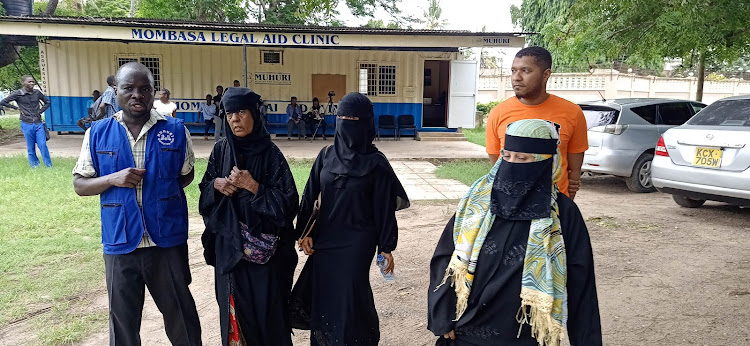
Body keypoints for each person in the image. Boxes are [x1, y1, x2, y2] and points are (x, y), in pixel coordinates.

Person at [428, 119, 601, 346]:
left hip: (525, 334)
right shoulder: (477, 202)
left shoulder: (562, 215)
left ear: (545, 162)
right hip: (466, 328)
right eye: (507, 156)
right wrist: (441, 314)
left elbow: (582, 283)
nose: (511, 164)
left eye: (523, 158)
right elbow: (446, 257)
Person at [71, 62, 201, 345]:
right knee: (123, 324)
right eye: (129, 88)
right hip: (120, 242)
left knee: (182, 317)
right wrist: (113, 179)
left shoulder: (177, 130)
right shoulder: (97, 133)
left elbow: (186, 174)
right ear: (115, 90)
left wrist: (160, 193)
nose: (137, 95)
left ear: (153, 92)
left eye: (144, 89)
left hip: (166, 242)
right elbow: (80, 184)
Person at [294, 92, 410, 346]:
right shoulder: (325, 155)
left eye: (352, 118)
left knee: (349, 294)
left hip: (358, 242)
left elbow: (383, 208)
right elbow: (309, 195)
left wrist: (387, 247)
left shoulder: (376, 163)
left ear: (366, 123)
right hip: (325, 240)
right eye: (341, 117)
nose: (346, 122)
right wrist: (304, 233)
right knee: (325, 296)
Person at [199, 87, 299, 346]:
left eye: (241, 112)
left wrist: (254, 186)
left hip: (265, 259)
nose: (234, 119)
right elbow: (204, 193)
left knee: (267, 316)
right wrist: (218, 185)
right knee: (235, 316)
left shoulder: (271, 154)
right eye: (230, 113)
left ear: (254, 114)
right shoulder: (221, 150)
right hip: (230, 252)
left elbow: (289, 204)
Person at [485, 46, 588, 199]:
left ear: (546, 75)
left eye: (525, 71)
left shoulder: (572, 113)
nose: (516, 77)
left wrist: (569, 193)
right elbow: (497, 164)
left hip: (555, 205)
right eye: (514, 71)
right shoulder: (498, 113)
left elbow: (575, 166)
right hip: (511, 204)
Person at [1, 75, 52, 168]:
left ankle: (48, 166)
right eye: (29, 82)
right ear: (23, 83)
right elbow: (3, 102)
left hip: (38, 123)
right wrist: (16, 108)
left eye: (33, 81)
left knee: (43, 145)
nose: (32, 83)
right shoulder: (18, 94)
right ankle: (34, 166)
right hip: (26, 123)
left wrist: (40, 111)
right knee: (30, 147)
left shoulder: (37, 93)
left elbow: (47, 102)